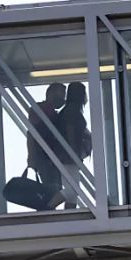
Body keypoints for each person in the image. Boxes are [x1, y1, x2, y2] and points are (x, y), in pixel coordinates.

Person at [48, 82, 92, 210]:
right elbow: (70, 130)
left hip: (66, 155)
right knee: (72, 190)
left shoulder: (68, 110)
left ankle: (69, 215)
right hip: (68, 155)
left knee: (73, 191)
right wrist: (73, 150)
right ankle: (47, 208)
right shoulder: (73, 111)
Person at [27, 83, 66, 200]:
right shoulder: (43, 110)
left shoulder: (41, 110)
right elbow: (32, 134)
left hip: (47, 156)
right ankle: (48, 208)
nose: (63, 99)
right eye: (61, 95)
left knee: (54, 188)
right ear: (51, 94)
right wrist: (32, 155)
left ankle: (48, 207)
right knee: (53, 188)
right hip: (46, 156)